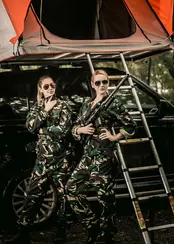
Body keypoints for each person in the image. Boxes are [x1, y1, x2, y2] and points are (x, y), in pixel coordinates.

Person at [66, 69, 136, 244]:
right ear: (92, 85)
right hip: (88, 154)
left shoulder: (113, 104)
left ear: (108, 83)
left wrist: (115, 136)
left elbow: (131, 125)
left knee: (104, 196)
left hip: (104, 154)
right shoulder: (86, 105)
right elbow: (74, 128)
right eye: (98, 82)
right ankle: (92, 225)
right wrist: (80, 130)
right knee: (71, 188)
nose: (102, 85)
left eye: (105, 82)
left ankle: (107, 232)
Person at [7, 75, 73, 244]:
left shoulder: (63, 106)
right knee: (32, 194)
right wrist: (44, 111)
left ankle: (61, 232)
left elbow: (63, 131)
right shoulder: (38, 107)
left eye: (52, 85)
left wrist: (42, 130)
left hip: (61, 159)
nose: (50, 88)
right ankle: (23, 232)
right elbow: (30, 126)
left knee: (63, 196)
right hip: (42, 161)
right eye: (46, 86)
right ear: (41, 90)